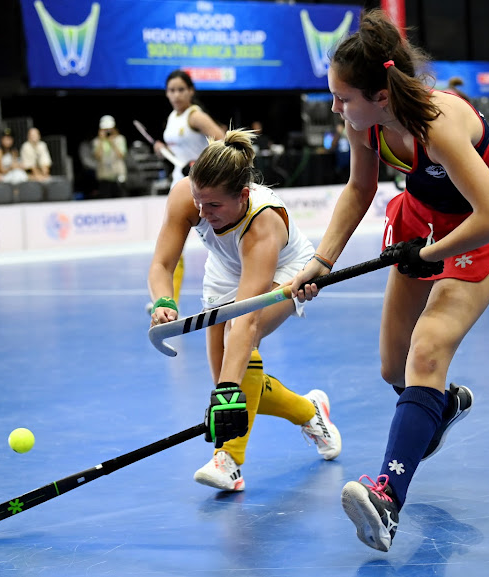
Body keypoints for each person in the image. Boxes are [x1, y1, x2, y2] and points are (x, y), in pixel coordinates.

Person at [288, 9, 489, 552]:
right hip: (420, 222)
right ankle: (442, 403)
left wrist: (428, 255)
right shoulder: (362, 121)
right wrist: (322, 260)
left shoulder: (439, 124)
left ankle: (387, 496)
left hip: (476, 229)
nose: (336, 107)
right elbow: (360, 190)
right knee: (396, 367)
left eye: (343, 97)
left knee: (427, 351)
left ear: (381, 95)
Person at [148, 128, 342, 492]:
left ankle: (229, 460)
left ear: (243, 195)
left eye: (214, 206)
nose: (202, 213)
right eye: (198, 202)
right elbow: (161, 265)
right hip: (225, 268)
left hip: (284, 267)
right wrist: (163, 301)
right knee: (229, 379)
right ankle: (308, 411)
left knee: (236, 356)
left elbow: (248, 320)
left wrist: (225, 391)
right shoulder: (186, 196)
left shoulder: (262, 223)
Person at [152, 70, 225, 306]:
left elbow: (223, 142)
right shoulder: (173, 117)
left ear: (191, 91)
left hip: (202, 190)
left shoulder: (195, 116)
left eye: (181, 89)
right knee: (174, 249)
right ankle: (168, 300)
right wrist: (163, 150)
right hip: (180, 189)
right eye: (171, 90)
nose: (175, 95)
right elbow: (180, 154)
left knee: (221, 245)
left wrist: (198, 165)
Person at [91, 115, 127, 198]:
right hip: (104, 177)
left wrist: (112, 142)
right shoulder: (97, 141)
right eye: (105, 129)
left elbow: (121, 155)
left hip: (118, 176)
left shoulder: (120, 139)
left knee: (121, 199)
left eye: (109, 129)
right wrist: (101, 140)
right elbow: (97, 157)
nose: (107, 131)